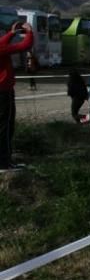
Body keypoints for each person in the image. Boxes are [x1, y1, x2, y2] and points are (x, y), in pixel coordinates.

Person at [0, 20, 34, 170]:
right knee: (5, 127)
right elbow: (24, 46)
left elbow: (2, 43)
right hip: (3, 92)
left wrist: (11, 33)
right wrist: (29, 32)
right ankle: (4, 163)